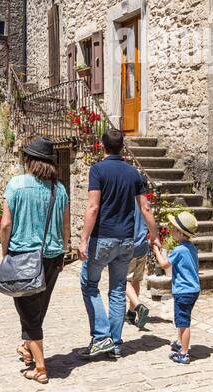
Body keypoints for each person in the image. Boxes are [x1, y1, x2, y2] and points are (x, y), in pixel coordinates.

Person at [78, 128, 160, 358]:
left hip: (103, 238)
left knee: (89, 285)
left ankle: (101, 336)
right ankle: (114, 344)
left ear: (103, 146)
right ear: (122, 147)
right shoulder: (133, 173)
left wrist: (83, 239)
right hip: (126, 241)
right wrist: (155, 234)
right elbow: (145, 207)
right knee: (116, 290)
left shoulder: (98, 170)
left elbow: (93, 207)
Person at [0, 137, 69, 385]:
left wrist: (5, 253)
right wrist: (64, 251)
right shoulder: (59, 189)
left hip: (24, 255)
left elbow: (6, 224)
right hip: (52, 256)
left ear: (28, 160)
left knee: (28, 312)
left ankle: (40, 368)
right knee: (38, 307)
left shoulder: (16, 185)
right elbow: (65, 226)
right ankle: (29, 349)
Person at [153, 210, 200, 364]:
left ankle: (184, 353)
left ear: (179, 232)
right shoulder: (191, 248)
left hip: (183, 291)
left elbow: (165, 264)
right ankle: (180, 344)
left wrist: (156, 251)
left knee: (184, 322)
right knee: (181, 319)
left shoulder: (179, 250)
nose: (171, 230)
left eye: (173, 228)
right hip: (193, 290)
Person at [124, 194, 153, 331]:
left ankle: (138, 306)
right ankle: (131, 314)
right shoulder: (146, 202)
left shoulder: (126, 201)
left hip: (129, 245)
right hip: (142, 245)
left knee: (123, 280)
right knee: (136, 279)